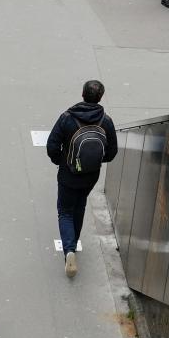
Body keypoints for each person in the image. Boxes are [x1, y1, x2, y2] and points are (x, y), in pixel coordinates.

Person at [45, 81, 118, 279]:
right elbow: (111, 153)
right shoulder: (106, 121)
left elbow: (52, 146)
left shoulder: (68, 118)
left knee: (65, 211)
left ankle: (69, 251)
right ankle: (73, 244)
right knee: (80, 206)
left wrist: (61, 160)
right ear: (100, 97)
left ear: (82, 94)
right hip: (90, 175)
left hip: (68, 173)